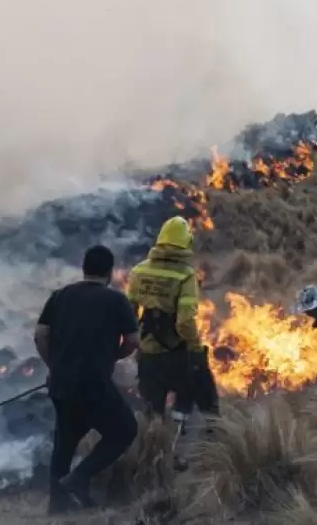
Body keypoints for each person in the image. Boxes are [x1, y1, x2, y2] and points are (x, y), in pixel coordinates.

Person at [34, 245, 140, 513]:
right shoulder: (116, 300)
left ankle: (56, 502)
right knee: (124, 430)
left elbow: (41, 334)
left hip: (61, 383)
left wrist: (53, 366)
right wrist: (113, 357)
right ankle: (80, 478)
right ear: (110, 272)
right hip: (94, 383)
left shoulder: (59, 296)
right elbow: (132, 340)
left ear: (84, 269)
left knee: (66, 440)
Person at [127, 217, 219, 426]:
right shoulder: (186, 276)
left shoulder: (139, 270)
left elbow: (128, 313)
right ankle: (203, 437)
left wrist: (136, 344)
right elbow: (185, 322)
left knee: (152, 412)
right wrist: (196, 351)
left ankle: (152, 449)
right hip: (176, 355)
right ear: (186, 244)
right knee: (201, 393)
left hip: (148, 354)